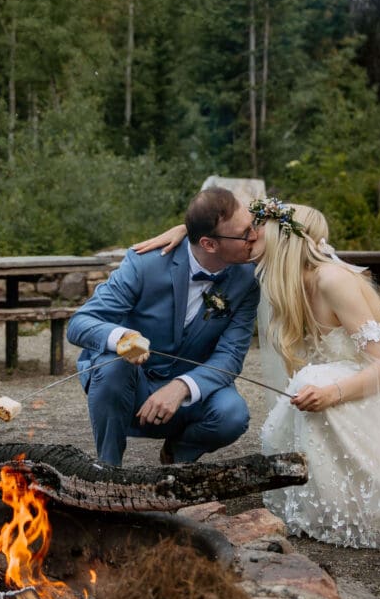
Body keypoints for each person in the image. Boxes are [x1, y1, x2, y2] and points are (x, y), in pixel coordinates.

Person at [135, 197, 380, 554]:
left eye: (255, 230)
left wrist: (333, 392)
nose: (247, 237)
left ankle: (357, 495)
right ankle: (337, 493)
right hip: (348, 382)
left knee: (312, 380)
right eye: (246, 231)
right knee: (309, 381)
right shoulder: (279, 277)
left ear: (280, 235)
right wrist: (185, 230)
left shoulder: (331, 280)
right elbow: (220, 232)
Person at [66, 186, 260, 467]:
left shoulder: (247, 279)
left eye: (252, 227)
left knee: (233, 415)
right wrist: (123, 336)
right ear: (208, 244)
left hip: (189, 385)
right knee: (112, 364)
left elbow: (230, 356)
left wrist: (181, 386)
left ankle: (177, 458)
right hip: (133, 381)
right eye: (245, 233)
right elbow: (80, 324)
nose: (254, 237)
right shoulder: (145, 263)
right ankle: (108, 469)